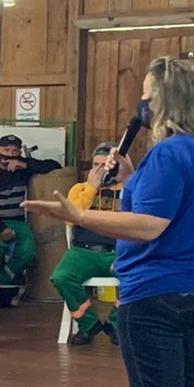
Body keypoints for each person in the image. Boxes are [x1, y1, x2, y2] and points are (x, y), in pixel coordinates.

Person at [25, 56, 194, 387]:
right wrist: (132, 178)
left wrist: (79, 215)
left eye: (146, 94)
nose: (141, 105)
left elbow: (150, 225)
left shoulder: (169, 152)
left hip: (163, 291)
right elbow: (181, 208)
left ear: (162, 100)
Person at [51, 142, 123, 346]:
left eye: (105, 165)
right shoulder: (79, 189)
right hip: (83, 251)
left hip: (118, 251)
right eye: (95, 165)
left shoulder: (128, 189)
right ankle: (88, 323)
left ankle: (116, 324)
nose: (99, 170)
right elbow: (70, 218)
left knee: (138, 276)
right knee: (61, 276)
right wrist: (92, 187)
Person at [0, 134, 61, 286]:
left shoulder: (22, 165)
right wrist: (1, 228)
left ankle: (2, 280)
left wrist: (24, 165)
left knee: (28, 252)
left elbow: (54, 165)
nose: (10, 155)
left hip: (18, 222)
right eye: (6, 150)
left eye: (15, 151)